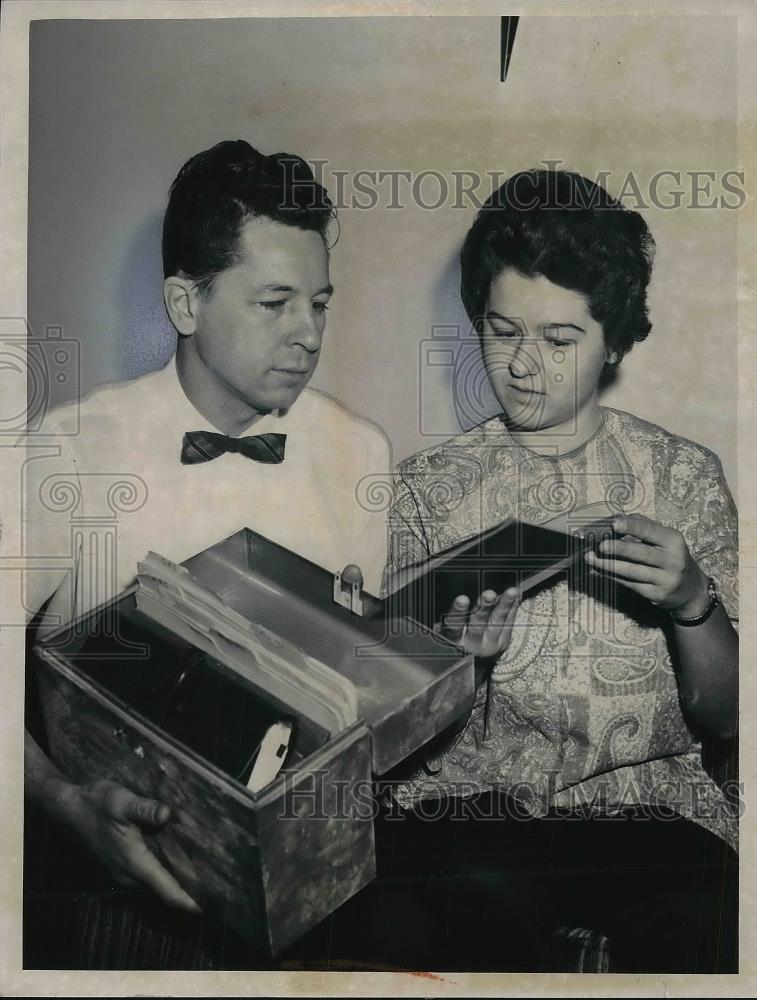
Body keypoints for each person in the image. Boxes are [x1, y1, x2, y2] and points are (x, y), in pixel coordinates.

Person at [22, 139, 391, 968]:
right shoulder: (67, 447)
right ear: (184, 303)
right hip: (122, 897)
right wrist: (61, 802)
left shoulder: (359, 453)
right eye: (274, 303)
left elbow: (359, 701)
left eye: (320, 304)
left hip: (313, 911)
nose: (308, 334)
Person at [372, 169, 738, 973]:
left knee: (703, 910)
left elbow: (725, 718)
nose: (524, 366)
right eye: (502, 332)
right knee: (462, 893)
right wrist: (457, 668)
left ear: (615, 340)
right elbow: (383, 734)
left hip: (644, 813)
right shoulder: (425, 489)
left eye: (559, 340)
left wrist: (689, 601)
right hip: (470, 812)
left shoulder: (682, 477)